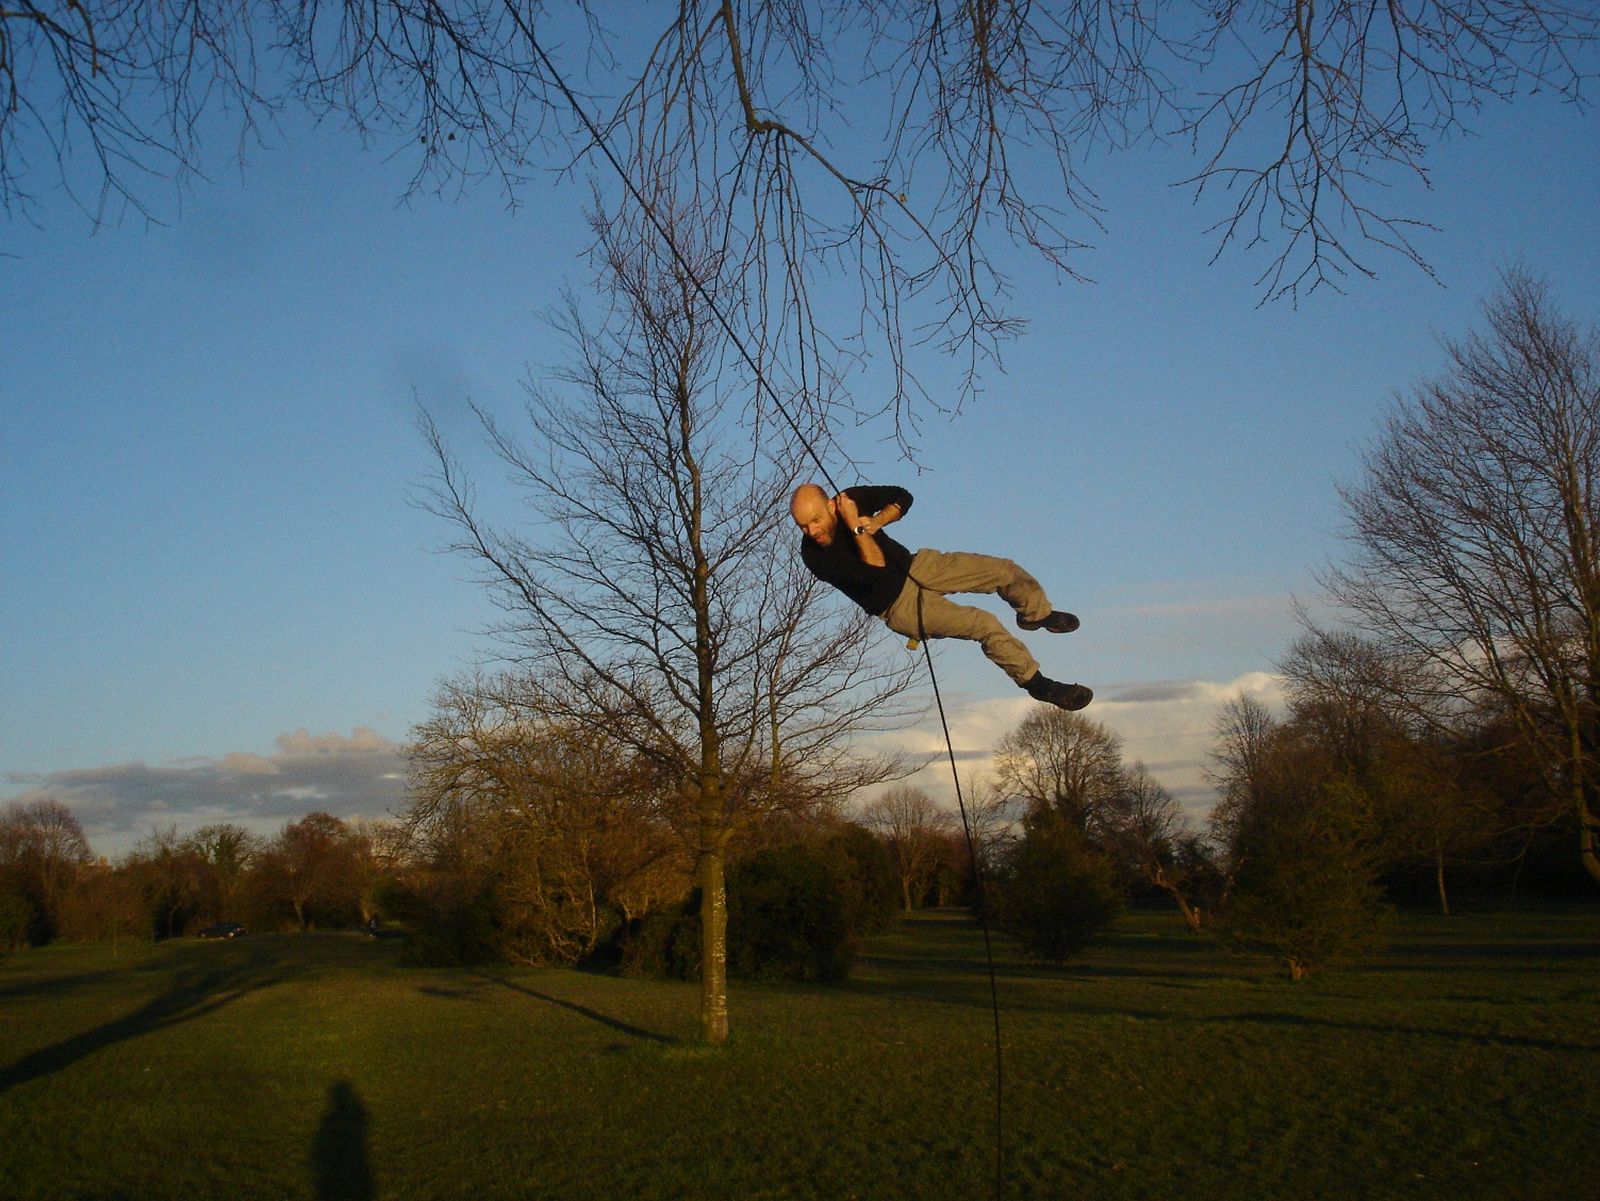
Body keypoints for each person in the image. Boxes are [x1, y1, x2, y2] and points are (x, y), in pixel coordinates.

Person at [790, 483, 1092, 710]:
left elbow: (902, 497)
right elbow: (877, 571)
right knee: (984, 624)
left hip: (918, 565)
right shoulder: (815, 557)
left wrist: (878, 521)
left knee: (1004, 570)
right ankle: (1039, 685)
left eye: (815, 520)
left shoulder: (850, 499)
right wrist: (857, 525)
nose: (811, 530)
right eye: (802, 525)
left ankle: (1035, 615)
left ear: (830, 505)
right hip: (900, 606)